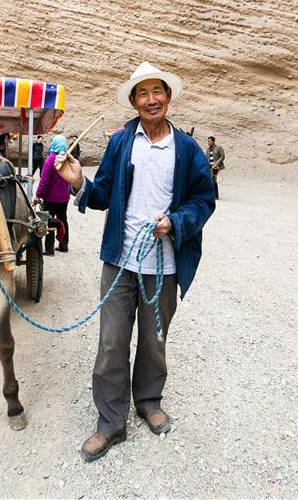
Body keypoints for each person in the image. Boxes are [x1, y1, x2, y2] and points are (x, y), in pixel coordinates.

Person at [55, 61, 215, 462]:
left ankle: (148, 400)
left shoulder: (188, 148)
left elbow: (204, 200)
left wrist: (176, 222)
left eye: (156, 92)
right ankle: (110, 422)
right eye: (142, 94)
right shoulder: (121, 142)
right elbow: (104, 192)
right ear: (133, 101)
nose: (150, 100)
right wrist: (79, 183)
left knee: (153, 340)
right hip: (121, 261)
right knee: (111, 343)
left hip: (163, 265)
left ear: (168, 97)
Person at [34, 135, 70, 255]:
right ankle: (64, 245)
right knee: (62, 219)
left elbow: (44, 181)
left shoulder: (51, 160)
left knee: (49, 221)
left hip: (51, 198)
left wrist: (38, 195)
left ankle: (49, 249)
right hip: (64, 197)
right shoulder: (67, 159)